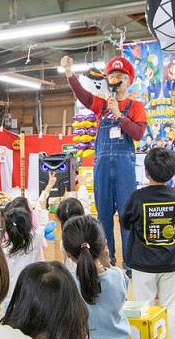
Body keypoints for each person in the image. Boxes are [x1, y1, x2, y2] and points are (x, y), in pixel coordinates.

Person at [61, 55, 147, 268]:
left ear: (128, 81)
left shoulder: (135, 106)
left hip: (124, 169)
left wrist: (119, 115)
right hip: (101, 169)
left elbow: (137, 134)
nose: (115, 79)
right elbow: (82, 96)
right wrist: (70, 74)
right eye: (112, 76)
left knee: (127, 218)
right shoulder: (101, 105)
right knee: (103, 217)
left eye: (120, 76)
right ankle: (107, 262)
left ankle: (129, 266)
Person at [62, 214, 130, 339]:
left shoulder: (66, 285)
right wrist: (108, 264)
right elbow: (118, 284)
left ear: (67, 252)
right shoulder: (117, 277)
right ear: (103, 246)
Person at [120, 147, 175, 339]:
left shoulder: (138, 197)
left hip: (143, 263)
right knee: (171, 309)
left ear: (146, 172)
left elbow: (125, 222)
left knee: (143, 309)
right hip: (170, 262)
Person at [0, 174, 54, 310]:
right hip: (31, 292)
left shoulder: (2, 248)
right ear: (29, 222)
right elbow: (42, 221)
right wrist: (44, 209)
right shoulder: (35, 241)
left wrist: (48, 186)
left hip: (9, 296)